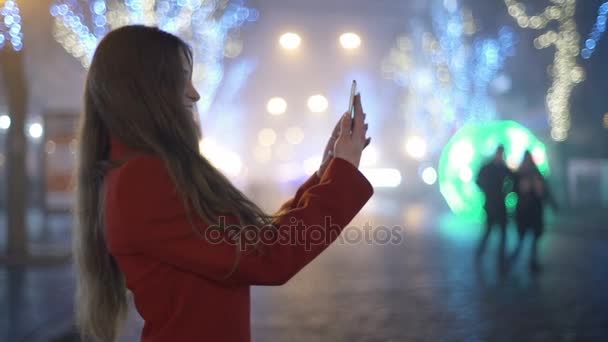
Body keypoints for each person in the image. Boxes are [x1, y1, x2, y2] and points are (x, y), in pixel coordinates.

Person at [73, 25, 373, 342]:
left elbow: (257, 240)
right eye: (181, 77)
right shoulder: (142, 180)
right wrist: (342, 173)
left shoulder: (143, 172)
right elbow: (269, 258)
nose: (194, 93)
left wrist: (328, 173)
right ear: (147, 90)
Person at [512, 151, 557, 271]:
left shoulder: (536, 175)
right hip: (525, 212)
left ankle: (531, 262)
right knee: (522, 240)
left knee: (532, 240)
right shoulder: (519, 175)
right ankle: (514, 261)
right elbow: (514, 190)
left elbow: (545, 191)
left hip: (534, 212)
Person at [475, 145, 514, 263]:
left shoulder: (502, 167)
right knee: (489, 230)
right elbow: (478, 180)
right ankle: (481, 253)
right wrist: (487, 190)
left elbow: (513, 178)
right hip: (492, 204)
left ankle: (500, 256)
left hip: (499, 204)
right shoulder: (489, 167)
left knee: (501, 232)